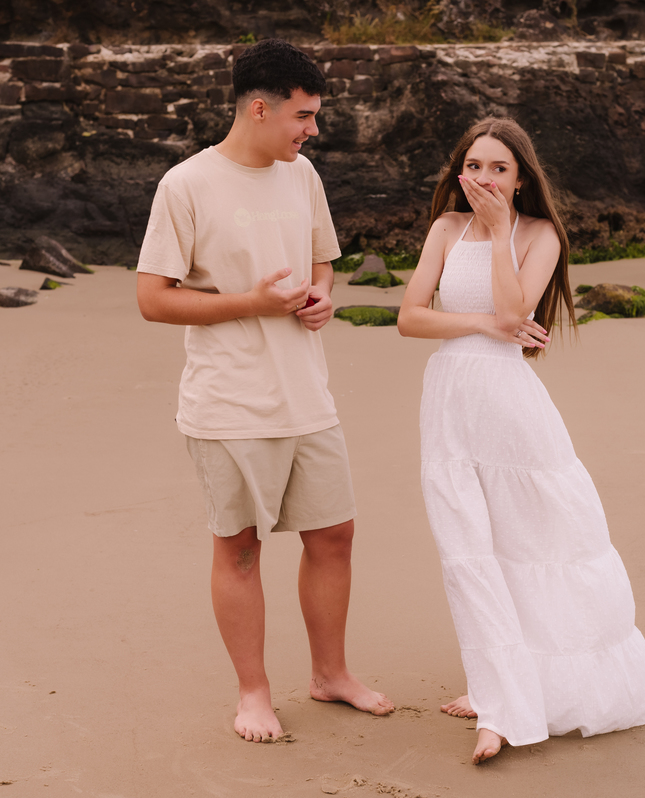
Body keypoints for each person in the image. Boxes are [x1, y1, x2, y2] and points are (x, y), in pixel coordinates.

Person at [135, 38, 394, 743]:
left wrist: (321, 298)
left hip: (307, 393)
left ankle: (331, 674)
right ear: (259, 108)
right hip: (229, 402)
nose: (311, 129)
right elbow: (152, 300)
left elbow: (321, 262)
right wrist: (250, 303)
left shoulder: (301, 174)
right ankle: (254, 693)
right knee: (241, 548)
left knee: (334, 535)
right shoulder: (185, 185)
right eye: (303, 115)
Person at [397, 117, 645, 764]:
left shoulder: (540, 235)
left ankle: (506, 704)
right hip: (450, 400)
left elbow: (518, 314)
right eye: (475, 166)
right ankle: (496, 686)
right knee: (467, 553)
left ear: (521, 180)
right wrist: (484, 325)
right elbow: (410, 318)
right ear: (459, 171)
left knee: (532, 545)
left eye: (500, 169)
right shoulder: (442, 229)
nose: (484, 178)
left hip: (510, 407)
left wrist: (495, 239)